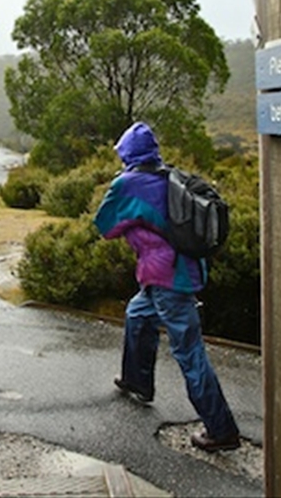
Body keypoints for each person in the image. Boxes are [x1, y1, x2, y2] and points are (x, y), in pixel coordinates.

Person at [94, 121, 241, 453]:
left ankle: (222, 430)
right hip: (177, 271)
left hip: (168, 279)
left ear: (128, 154)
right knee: (137, 314)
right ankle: (137, 381)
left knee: (190, 354)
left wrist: (129, 214)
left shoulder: (128, 184)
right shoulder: (170, 176)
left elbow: (105, 225)